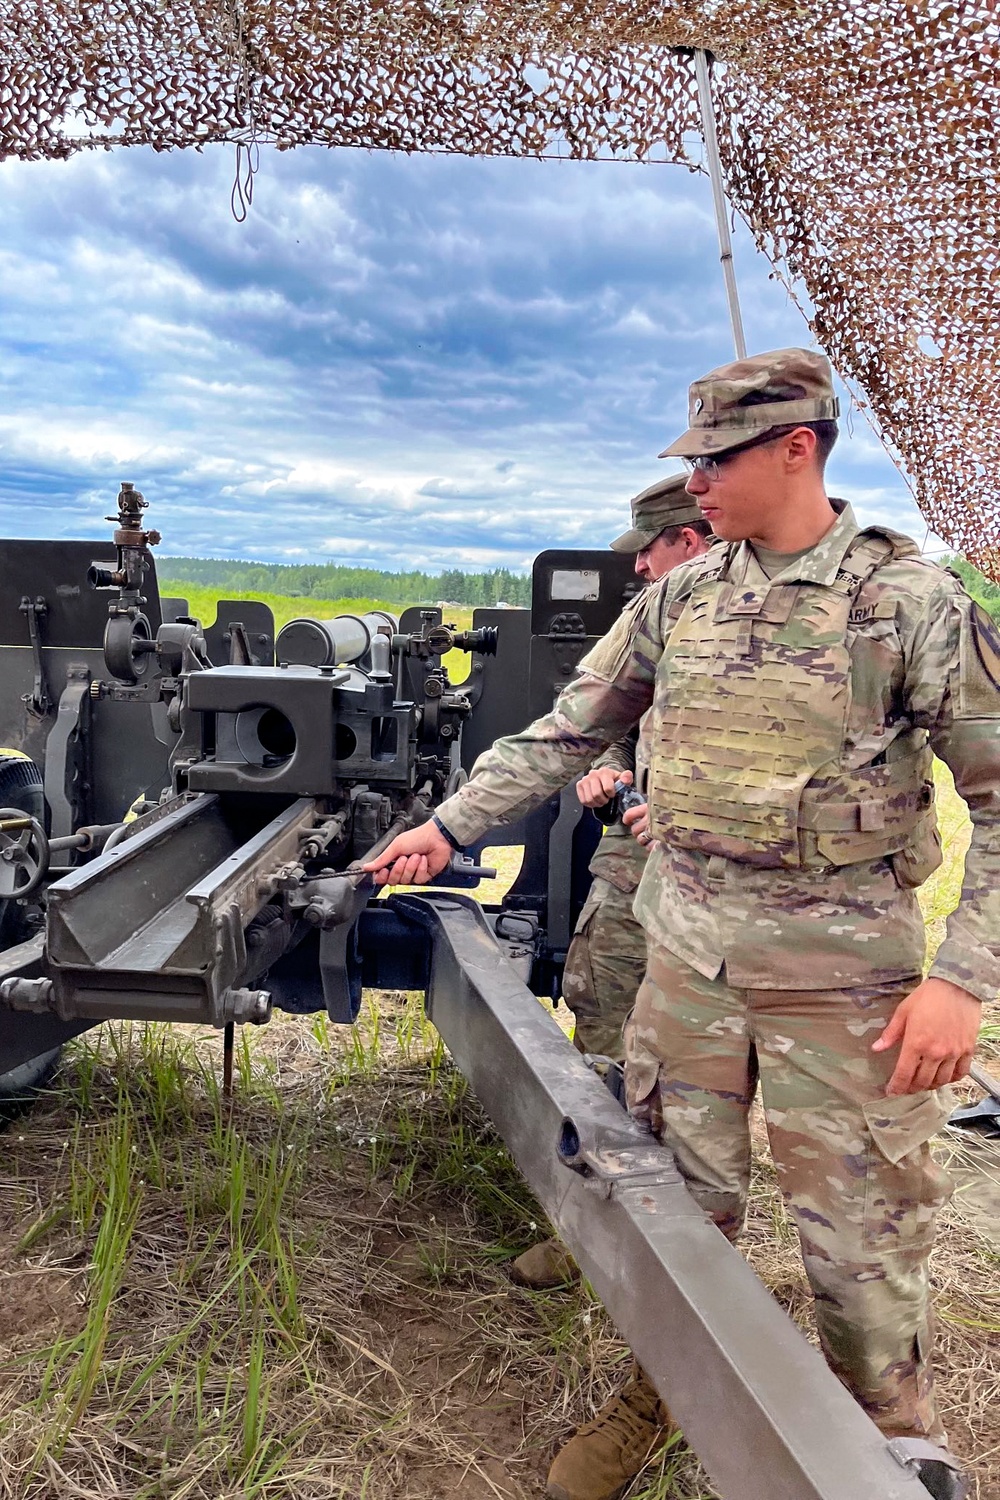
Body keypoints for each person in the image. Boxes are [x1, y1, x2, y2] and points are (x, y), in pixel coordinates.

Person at [366, 348, 990, 1500]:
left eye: (716, 456)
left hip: (842, 985)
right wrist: (447, 828)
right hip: (686, 967)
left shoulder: (907, 603)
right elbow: (564, 733)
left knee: (857, 1246)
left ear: (797, 447)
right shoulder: (680, 598)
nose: (693, 482)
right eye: (691, 458)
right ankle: (660, 1391)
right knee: (670, 1209)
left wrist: (960, 979)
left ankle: (889, 1435)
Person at [511, 474, 713, 1292]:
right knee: (602, 1016)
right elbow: (612, 721)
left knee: (700, 1072)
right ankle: (590, 1223)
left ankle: (680, 1247)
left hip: (735, 889)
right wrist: (610, 768)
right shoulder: (659, 620)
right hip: (634, 866)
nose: (636, 571)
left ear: (690, 539)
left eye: (650, 552)